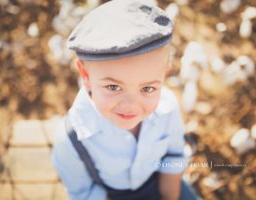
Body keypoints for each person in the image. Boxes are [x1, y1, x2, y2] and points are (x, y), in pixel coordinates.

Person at [52, 0, 201, 199]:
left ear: (164, 75)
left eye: (148, 88)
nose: (131, 106)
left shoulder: (168, 108)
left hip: (163, 184)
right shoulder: (70, 141)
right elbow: (84, 194)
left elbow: (172, 159)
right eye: (113, 87)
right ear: (85, 75)